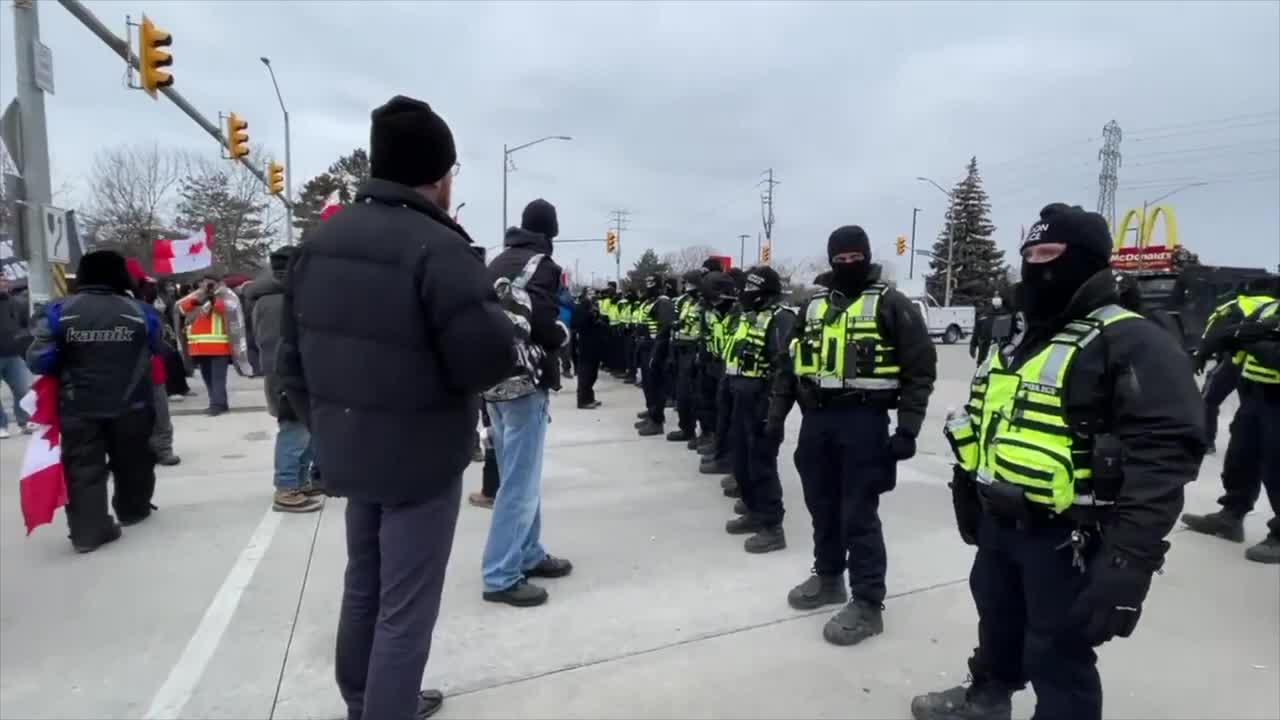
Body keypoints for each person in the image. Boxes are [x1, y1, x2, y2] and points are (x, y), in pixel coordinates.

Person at [913, 203, 1205, 720]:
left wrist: (1129, 559)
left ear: (1089, 262)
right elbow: (994, 420)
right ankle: (987, 695)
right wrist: (967, 485)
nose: (1035, 266)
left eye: (1048, 254)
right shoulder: (1021, 336)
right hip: (1001, 522)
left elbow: (1164, 455)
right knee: (998, 620)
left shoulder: (1131, 339)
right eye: (1027, 253)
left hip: (1069, 537)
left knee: (1057, 653)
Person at [278, 95, 515, 720]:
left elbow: (288, 362)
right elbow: (484, 360)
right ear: (437, 176)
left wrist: (329, 426)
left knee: (365, 584)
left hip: (351, 452)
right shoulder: (438, 248)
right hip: (421, 459)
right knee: (405, 610)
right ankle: (386, 705)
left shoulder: (319, 242)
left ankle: (364, 700)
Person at [770, 226, 936, 645]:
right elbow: (789, 367)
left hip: (865, 421)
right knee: (821, 506)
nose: (847, 265)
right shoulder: (811, 308)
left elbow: (920, 371)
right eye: (839, 259)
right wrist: (775, 417)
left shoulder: (891, 305)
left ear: (866, 255)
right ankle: (828, 577)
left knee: (858, 513)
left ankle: (867, 602)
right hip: (817, 420)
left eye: (854, 257)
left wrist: (908, 429)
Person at [26, 250, 164, 552]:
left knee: (82, 466)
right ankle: (133, 510)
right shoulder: (141, 311)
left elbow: (39, 360)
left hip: (78, 403)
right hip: (132, 403)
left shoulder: (58, 310)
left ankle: (88, 532)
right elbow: (159, 348)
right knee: (134, 460)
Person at [482, 198, 573, 608]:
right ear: (550, 232)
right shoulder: (543, 265)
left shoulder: (500, 261)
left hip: (492, 380)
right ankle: (501, 574)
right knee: (519, 483)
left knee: (519, 475)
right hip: (524, 381)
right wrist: (563, 334)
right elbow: (541, 324)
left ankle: (529, 553)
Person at [1182, 283, 1280, 564]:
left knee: (1277, 467)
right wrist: (1215, 345)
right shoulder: (1267, 309)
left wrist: (1247, 338)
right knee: (1241, 458)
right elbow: (1234, 344)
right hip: (1254, 395)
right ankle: (1231, 515)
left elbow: (1273, 356)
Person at [717, 266, 795, 553]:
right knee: (742, 461)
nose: (743, 293)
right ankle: (753, 512)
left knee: (762, 465)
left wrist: (774, 411)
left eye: (750, 289)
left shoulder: (781, 319)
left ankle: (772, 526)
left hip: (763, 401)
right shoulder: (749, 318)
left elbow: (784, 368)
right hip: (741, 398)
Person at [247, 247, 322, 513]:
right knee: (295, 431)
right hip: (291, 374)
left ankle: (298, 482)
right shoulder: (286, 300)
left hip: (279, 372)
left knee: (304, 430)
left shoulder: (262, 299)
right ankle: (287, 487)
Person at [126, 259, 181, 467]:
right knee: (153, 411)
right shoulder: (139, 307)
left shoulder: (147, 302)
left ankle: (160, 448)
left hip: (147, 366)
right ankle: (157, 448)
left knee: (157, 410)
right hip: (135, 368)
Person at [695, 271, 736, 472]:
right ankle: (720, 449)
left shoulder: (739, 311)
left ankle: (728, 456)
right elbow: (706, 334)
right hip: (713, 362)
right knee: (714, 408)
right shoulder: (709, 309)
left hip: (730, 367)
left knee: (728, 415)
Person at [178, 275, 233, 416]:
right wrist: (198, 299)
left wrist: (213, 298)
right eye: (204, 283)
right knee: (208, 377)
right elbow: (182, 309)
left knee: (217, 378)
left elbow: (225, 311)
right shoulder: (196, 296)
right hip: (199, 346)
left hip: (218, 345)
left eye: (211, 284)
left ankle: (217, 405)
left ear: (219, 283)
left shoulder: (225, 296)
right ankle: (219, 402)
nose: (207, 286)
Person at [634, 274, 676, 437]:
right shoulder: (649, 302)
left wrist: (657, 351)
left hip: (654, 347)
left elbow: (665, 328)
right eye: (647, 282)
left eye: (651, 283)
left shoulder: (663, 302)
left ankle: (656, 421)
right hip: (644, 346)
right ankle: (652, 413)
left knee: (655, 385)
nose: (648, 286)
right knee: (648, 384)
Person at [668, 270, 705, 445]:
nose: (686, 287)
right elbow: (675, 323)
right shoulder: (683, 301)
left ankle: (704, 432)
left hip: (695, 351)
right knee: (682, 394)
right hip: (681, 350)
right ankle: (686, 428)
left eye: (689, 284)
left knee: (697, 395)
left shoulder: (704, 303)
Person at [0, 274, 34, 439]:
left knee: (22, 389)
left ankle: (24, 421)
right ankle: (1, 425)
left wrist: (21, 341)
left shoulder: (16, 303)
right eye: (1, 280)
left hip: (14, 355)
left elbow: (26, 326)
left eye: (5, 280)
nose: (4, 283)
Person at [572, 287, 604, 409]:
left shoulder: (594, 307)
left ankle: (590, 397)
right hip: (585, 345)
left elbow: (596, 321)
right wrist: (589, 315)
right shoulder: (580, 308)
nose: (592, 296)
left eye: (593, 293)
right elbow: (577, 324)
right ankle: (583, 400)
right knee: (585, 373)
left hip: (595, 344)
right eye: (589, 293)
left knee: (593, 374)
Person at [969, 288, 1015, 363]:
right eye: (995, 297)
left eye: (998, 297)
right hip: (985, 349)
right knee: (982, 368)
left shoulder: (1009, 314)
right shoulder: (984, 314)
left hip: (1003, 348)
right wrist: (973, 345)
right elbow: (977, 331)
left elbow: (1016, 333)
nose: (996, 299)